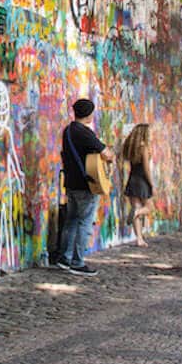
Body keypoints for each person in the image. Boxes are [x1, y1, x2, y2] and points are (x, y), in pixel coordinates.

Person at [57, 98, 114, 276]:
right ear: (89, 115)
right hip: (86, 184)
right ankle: (78, 261)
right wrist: (110, 158)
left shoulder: (68, 131)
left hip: (72, 182)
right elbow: (106, 153)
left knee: (72, 220)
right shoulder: (84, 133)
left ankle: (65, 257)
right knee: (85, 222)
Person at [122, 124, 153, 247]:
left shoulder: (131, 147)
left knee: (135, 206)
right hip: (142, 180)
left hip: (132, 179)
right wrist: (151, 183)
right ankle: (136, 212)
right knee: (148, 207)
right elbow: (146, 168)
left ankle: (139, 239)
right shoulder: (144, 148)